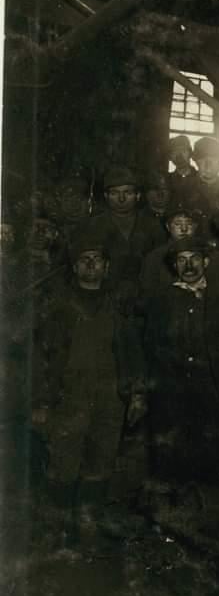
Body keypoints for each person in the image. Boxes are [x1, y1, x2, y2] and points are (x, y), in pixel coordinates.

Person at [31, 231, 145, 544]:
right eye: (85, 260)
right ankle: (57, 523)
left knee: (101, 459)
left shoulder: (118, 307)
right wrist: (40, 402)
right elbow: (41, 359)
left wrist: (136, 394)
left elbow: (132, 352)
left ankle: (87, 518)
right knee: (64, 462)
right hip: (69, 397)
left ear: (107, 267)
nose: (91, 266)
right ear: (75, 267)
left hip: (110, 397)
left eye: (98, 261)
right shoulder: (59, 308)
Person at [142, 237, 219, 484]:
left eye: (194, 259)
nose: (189, 265)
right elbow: (151, 345)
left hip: (212, 388)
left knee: (212, 454)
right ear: (174, 266)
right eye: (181, 260)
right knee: (172, 457)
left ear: (205, 261)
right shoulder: (161, 300)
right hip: (172, 390)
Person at [79, 166, 167, 286]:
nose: (121, 199)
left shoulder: (152, 225)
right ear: (106, 196)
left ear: (138, 195)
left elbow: (162, 262)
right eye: (115, 193)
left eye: (128, 192)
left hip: (146, 291)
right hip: (104, 292)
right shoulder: (93, 225)